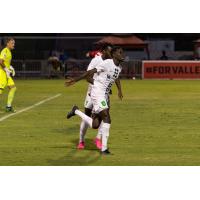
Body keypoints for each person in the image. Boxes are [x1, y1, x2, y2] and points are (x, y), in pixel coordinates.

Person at [65, 46, 124, 155]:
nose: (122, 54)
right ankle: (104, 149)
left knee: (95, 124)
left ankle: (76, 111)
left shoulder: (119, 67)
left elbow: (116, 77)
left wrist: (119, 90)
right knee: (107, 117)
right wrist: (76, 79)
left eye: (122, 53)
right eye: (120, 53)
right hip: (97, 92)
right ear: (114, 54)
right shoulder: (106, 63)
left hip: (104, 94)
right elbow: (90, 72)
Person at [76, 43, 113, 150]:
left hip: (103, 94)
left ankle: (98, 139)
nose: (111, 54)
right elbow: (88, 76)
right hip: (92, 92)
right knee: (87, 115)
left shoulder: (110, 62)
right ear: (104, 51)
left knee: (104, 115)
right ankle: (81, 141)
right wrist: (100, 85)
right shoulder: (96, 60)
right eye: (110, 51)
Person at [0, 38, 17, 112]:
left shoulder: (9, 52)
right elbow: (1, 61)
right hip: (1, 72)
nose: (13, 44)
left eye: (14, 43)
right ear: (7, 43)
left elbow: (5, 62)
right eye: (12, 43)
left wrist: (10, 67)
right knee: (0, 90)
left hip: (6, 73)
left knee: (13, 88)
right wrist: (6, 69)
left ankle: (8, 106)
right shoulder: (5, 50)